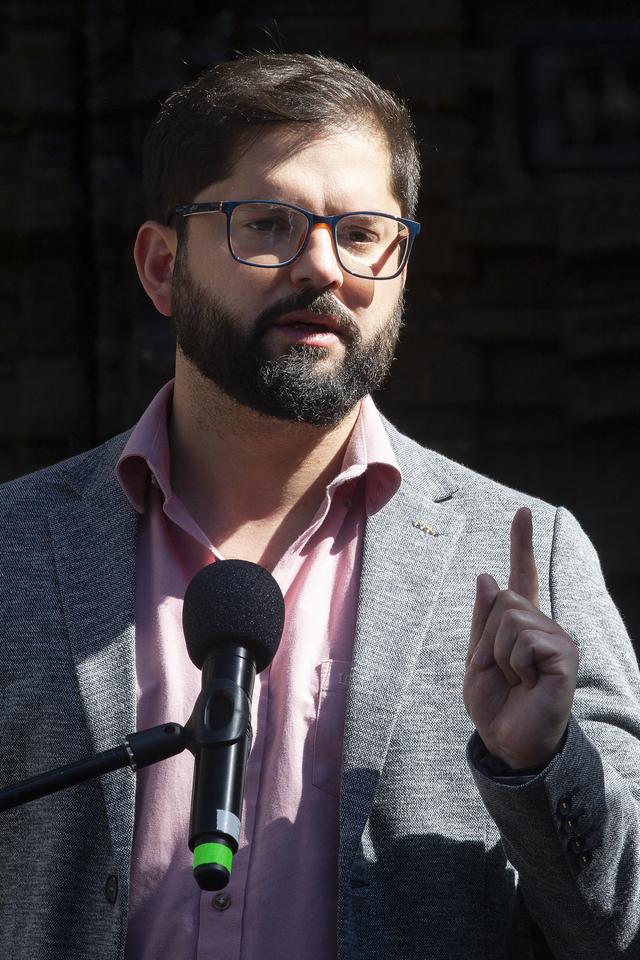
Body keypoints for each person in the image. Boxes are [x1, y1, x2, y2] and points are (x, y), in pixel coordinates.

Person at [1, 52, 639, 960]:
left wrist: (539, 767)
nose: (321, 269)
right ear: (162, 267)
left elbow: (623, 927)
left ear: (401, 270)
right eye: (267, 225)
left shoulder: (528, 558)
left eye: (362, 233)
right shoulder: (15, 547)